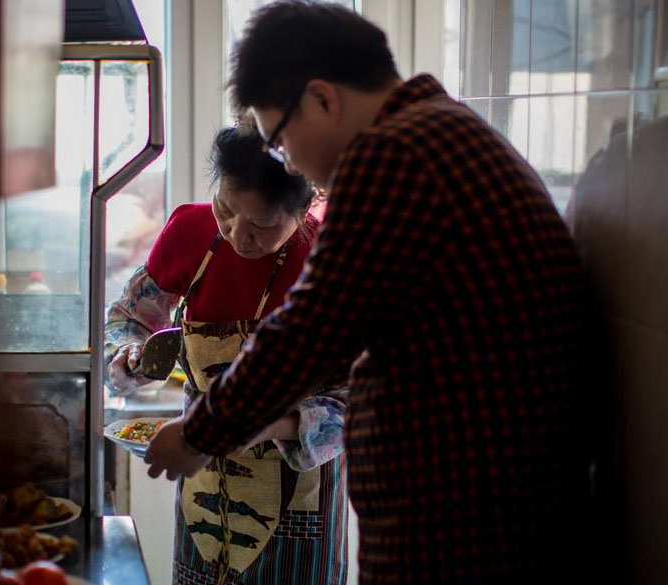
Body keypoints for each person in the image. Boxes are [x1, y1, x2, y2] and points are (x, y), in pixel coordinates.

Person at [145, 2, 590, 584]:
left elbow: (310, 330)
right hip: (492, 508)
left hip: (466, 524)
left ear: (322, 100)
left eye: (279, 143)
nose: (287, 163)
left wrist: (200, 434)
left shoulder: (394, 156)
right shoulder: (443, 133)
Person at [105, 124, 349, 585]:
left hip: (300, 496)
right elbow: (126, 317)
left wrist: (260, 426)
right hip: (204, 492)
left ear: (304, 209)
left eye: (262, 226)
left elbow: (355, 401)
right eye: (225, 209)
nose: (238, 235)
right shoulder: (188, 232)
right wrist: (128, 352)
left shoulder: (332, 258)